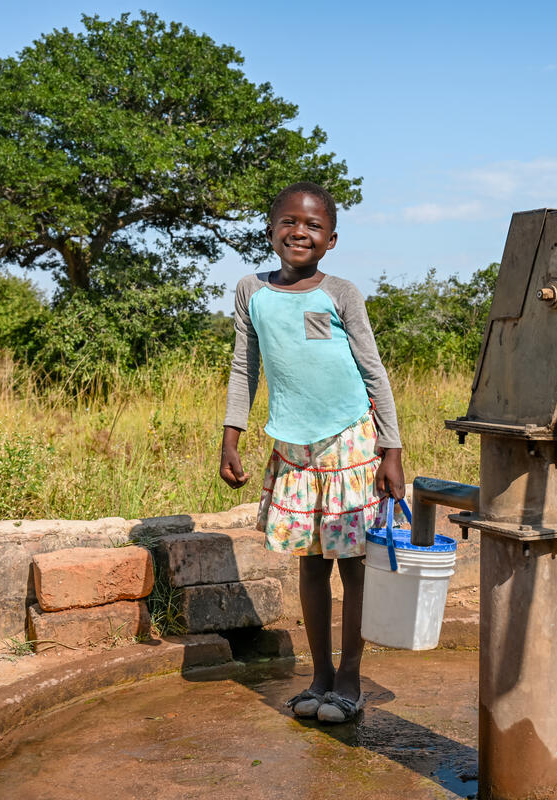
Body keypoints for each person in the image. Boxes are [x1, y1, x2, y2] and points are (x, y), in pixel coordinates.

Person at [219, 181, 405, 724]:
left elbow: (373, 369)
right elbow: (243, 367)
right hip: (293, 447)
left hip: (351, 443)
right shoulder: (251, 289)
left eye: (313, 226)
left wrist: (391, 448)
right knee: (311, 562)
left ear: (331, 240)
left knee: (352, 564)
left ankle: (349, 680)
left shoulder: (340, 293)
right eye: (289, 223)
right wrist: (231, 436)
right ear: (271, 229)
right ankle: (318, 675)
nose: (300, 232)